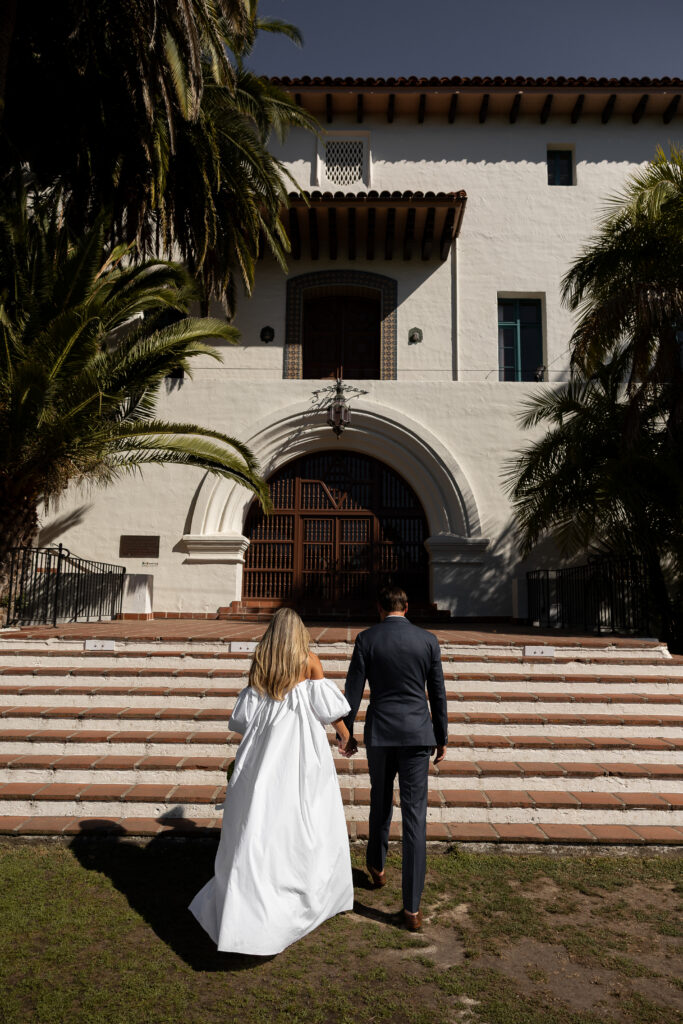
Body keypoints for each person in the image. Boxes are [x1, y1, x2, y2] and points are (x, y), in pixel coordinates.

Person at [189, 607, 355, 955]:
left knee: (259, 813)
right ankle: (304, 889)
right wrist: (345, 737)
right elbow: (327, 709)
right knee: (304, 812)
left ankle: (250, 894)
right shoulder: (309, 661)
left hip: (264, 748)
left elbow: (245, 718)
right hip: (299, 747)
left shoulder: (261, 661)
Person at [342, 585, 448, 931]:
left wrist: (347, 731)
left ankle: (377, 865)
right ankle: (412, 907)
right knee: (416, 816)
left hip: (381, 732)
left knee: (380, 800)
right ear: (407, 606)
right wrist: (442, 736)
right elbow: (437, 693)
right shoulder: (428, 641)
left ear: (379, 607)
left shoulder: (367, 639)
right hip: (418, 732)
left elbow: (353, 690)